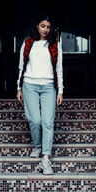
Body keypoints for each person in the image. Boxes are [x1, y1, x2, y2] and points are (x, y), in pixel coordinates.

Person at [16, 14, 63, 175]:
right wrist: (19, 87)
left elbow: (59, 69)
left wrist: (60, 90)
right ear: (37, 26)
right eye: (43, 26)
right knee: (34, 119)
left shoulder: (55, 45)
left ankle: (45, 157)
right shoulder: (28, 43)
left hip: (49, 86)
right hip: (29, 85)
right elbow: (21, 66)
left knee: (47, 121)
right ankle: (37, 145)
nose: (46, 29)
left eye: (48, 27)